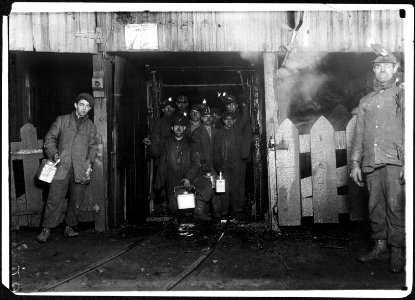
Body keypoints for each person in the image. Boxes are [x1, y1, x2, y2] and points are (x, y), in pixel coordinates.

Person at [350, 45, 405, 273]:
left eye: (387, 66)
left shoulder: (402, 95)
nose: (383, 70)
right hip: (371, 161)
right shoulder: (366, 101)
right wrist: (354, 162)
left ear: (396, 68)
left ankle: (397, 250)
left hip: (394, 161)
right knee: (374, 206)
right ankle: (380, 246)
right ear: (374, 70)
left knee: (395, 205)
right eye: (378, 67)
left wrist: (407, 162)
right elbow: (359, 134)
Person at [36, 93, 99, 243]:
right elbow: (49, 138)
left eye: (87, 106)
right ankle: (46, 228)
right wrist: (54, 154)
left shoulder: (91, 126)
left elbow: (93, 146)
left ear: (89, 109)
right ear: (76, 105)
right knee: (54, 198)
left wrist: (89, 161)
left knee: (76, 200)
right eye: (82, 105)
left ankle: (70, 227)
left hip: (80, 168)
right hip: (61, 167)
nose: (84, 108)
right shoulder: (62, 120)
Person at [147, 115, 211, 221]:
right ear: (172, 128)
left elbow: (196, 163)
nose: (178, 128)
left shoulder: (191, 143)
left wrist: (188, 178)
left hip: (188, 175)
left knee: (206, 185)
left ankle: (198, 211)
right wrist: (150, 145)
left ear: (184, 128)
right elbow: (159, 158)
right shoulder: (166, 143)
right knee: (174, 208)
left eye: (181, 126)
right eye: (176, 126)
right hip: (172, 177)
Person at [218, 93, 253, 219]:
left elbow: (248, 135)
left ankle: (238, 208)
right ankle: (227, 208)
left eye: (232, 104)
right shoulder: (225, 119)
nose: (230, 107)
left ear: (236, 105)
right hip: (226, 158)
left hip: (239, 157)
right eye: (228, 104)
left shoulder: (241, 118)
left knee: (238, 184)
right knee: (225, 185)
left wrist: (245, 153)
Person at [213, 111, 248, 220]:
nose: (229, 122)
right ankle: (224, 209)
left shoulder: (238, 132)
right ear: (223, 121)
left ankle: (235, 208)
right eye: (226, 119)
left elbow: (243, 146)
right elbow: (216, 151)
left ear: (234, 121)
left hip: (236, 164)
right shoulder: (219, 133)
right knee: (224, 188)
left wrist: (244, 157)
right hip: (224, 164)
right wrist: (218, 164)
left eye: (231, 120)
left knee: (236, 186)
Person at [192, 105, 221, 220]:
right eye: (205, 116)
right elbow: (195, 151)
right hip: (203, 167)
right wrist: (202, 163)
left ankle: (217, 215)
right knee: (205, 189)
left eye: (210, 116)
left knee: (217, 190)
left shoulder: (217, 131)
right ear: (202, 118)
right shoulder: (196, 132)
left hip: (216, 166)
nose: (208, 118)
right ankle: (201, 214)